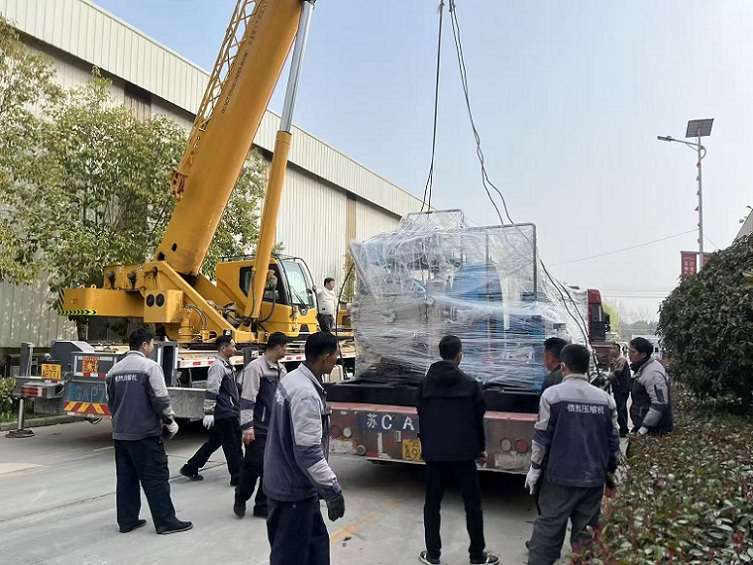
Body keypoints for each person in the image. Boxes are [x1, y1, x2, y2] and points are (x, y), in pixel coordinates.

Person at [525, 344, 620, 565]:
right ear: (586, 367)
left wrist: (534, 470)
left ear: (563, 366)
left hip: (559, 477)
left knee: (549, 527)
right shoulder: (605, 400)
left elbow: (541, 438)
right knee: (586, 535)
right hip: (593, 479)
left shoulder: (552, 395)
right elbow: (613, 441)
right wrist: (610, 473)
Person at [263, 331, 345, 565]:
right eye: (336, 357)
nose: (337, 362)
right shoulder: (306, 394)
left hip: (292, 485)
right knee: (291, 557)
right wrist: (332, 490)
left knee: (316, 549)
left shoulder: (291, 379)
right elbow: (308, 452)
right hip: (293, 492)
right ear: (326, 358)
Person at [416, 335, 499, 565]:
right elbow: (477, 420)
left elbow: (422, 417)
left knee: (432, 506)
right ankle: (477, 556)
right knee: (473, 506)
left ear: (440, 354)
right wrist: (480, 449)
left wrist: (426, 447)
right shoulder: (470, 384)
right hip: (464, 455)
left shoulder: (424, 385)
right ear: (459, 354)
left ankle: (433, 554)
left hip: (434, 456)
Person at [105, 328, 192, 535]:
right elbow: (160, 399)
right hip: (145, 434)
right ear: (144, 345)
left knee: (126, 480)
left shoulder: (113, 371)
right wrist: (170, 422)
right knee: (156, 478)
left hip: (121, 434)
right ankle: (166, 522)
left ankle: (127, 521)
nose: (152, 347)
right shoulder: (150, 367)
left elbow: (110, 402)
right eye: (152, 344)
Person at [233, 331, 289, 519]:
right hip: (257, 427)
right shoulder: (256, 368)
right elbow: (248, 398)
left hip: (275, 428)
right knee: (254, 465)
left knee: (270, 469)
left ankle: (262, 505)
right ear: (278, 347)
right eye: (285, 347)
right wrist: (247, 426)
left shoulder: (281, 370)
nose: (286, 351)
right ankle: (241, 496)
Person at [181, 335, 243, 484]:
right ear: (223, 348)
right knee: (233, 445)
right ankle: (238, 477)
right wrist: (209, 412)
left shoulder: (227, 365)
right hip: (225, 412)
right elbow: (212, 390)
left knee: (215, 442)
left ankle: (191, 467)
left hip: (229, 409)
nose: (235, 349)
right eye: (233, 346)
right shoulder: (218, 367)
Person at [628, 337, 673, 435]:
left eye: (633, 352)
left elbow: (659, 403)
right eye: (629, 350)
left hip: (653, 431)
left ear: (643, 354)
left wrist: (644, 428)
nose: (629, 354)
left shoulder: (653, 373)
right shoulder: (642, 368)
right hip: (643, 427)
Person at [607, 342, 631, 437]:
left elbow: (617, 372)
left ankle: (624, 429)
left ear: (619, 350)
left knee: (619, 409)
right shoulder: (614, 360)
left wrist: (606, 378)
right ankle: (624, 428)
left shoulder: (621, 360)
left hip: (622, 388)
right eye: (611, 349)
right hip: (618, 388)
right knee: (622, 409)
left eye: (614, 348)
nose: (612, 350)